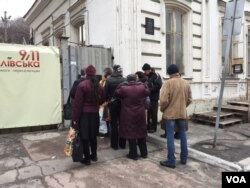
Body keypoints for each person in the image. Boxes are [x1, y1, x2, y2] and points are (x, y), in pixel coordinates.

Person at [159, 64, 192, 168]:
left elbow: (164, 100)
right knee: (182, 135)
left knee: (170, 136)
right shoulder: (186, 83)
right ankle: (184, 158)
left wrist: (163, 109)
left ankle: (171, 160)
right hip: (182, 113)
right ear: (178, 72)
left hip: (170, 114)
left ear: (169, 73)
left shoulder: (168, 83)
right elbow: (190, 99)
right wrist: (183, 106)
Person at [72, 65, 105, 165]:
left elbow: (78, 104)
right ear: (94, 74)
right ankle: (94, 155)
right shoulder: (99, 86)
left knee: (85, 136)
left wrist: (75, 119)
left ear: (86, 73)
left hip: (84, 115)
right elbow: (103, 99)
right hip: (95, 114)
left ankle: (87, 159)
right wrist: (96, 105)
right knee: (93, 136)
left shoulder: (82, 85)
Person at [115, 74, 150, 160]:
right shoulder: (141, 87)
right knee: (141, 132)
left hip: (128, 113)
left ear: (127, 80)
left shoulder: (124, 88)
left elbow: (116, 92)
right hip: (140, 113)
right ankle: (144, 153)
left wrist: (121, 84)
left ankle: (133, 154)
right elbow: (148, 91)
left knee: (131, 133)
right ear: (136, 79)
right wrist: (143, 84)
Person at [104, 65, 126, 150]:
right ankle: (123, 144)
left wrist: (107, 101)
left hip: (113, 104)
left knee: (113, 124)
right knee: (122, 123)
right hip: (123, 104)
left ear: (114, 71)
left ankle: (114, 145)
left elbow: (105, 94)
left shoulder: (109, 80)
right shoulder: (124, 80)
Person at [142, 63, 162, 133]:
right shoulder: (145, 75)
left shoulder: (156, 75)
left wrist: (149, 89)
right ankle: (149, 126)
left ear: (149, 69)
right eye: (144, 71)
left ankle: (154, 127)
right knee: (148, 112)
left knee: (154, 113)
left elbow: (159, 85)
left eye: (146, 71)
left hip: (154, 97)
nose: (145, 72)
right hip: (147, 97)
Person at [99, 67, 113, 137]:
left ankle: (108, 132)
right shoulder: (102, 81)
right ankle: (105, 132)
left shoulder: (109, 82)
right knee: (104, 118)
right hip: (103, 103)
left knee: (108, 118)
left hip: (108, 102)